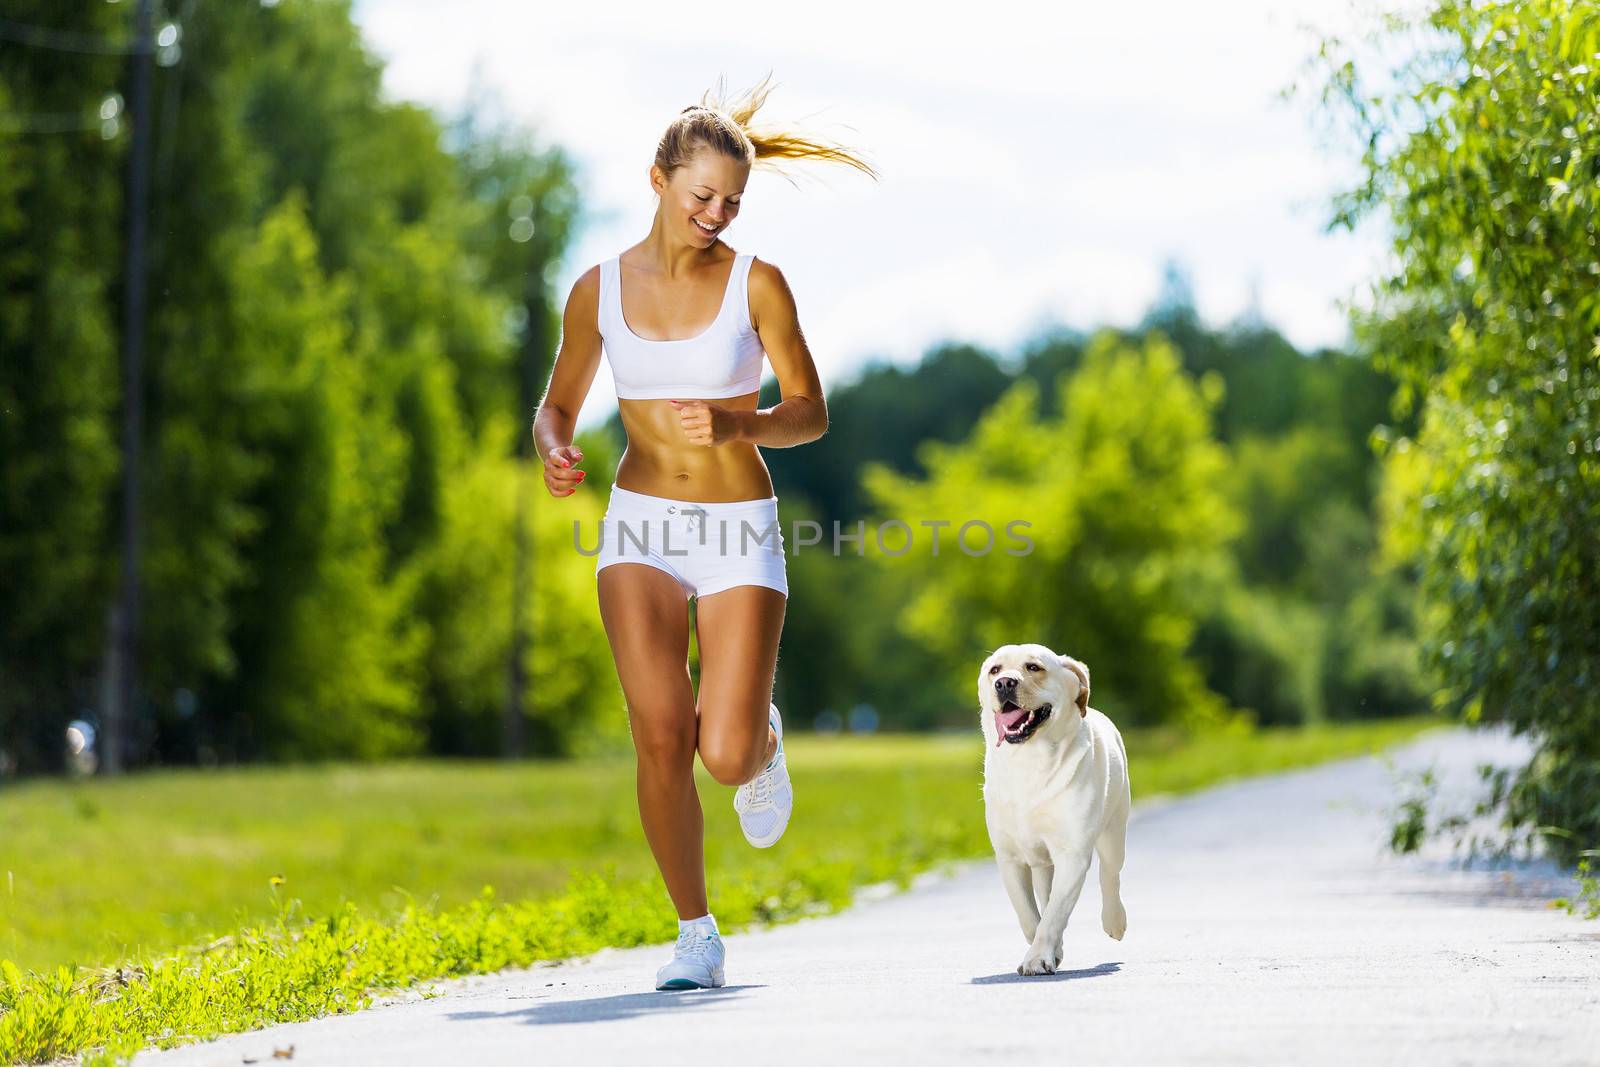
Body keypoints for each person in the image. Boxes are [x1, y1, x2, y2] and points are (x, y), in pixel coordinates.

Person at [531, 75, 877, 991]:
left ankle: (759, 733)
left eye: (731, 201)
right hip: (638, 526)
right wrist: (555, 448)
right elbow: (557, 405)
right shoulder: (597, 290)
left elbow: (810, 411)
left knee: (720, 754)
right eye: (701, 197)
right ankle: (696, 933)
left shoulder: (757, 284)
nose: (716, 214)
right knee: (656, 734)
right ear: (658, 179)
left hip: (736, 528)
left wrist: (738, 425)